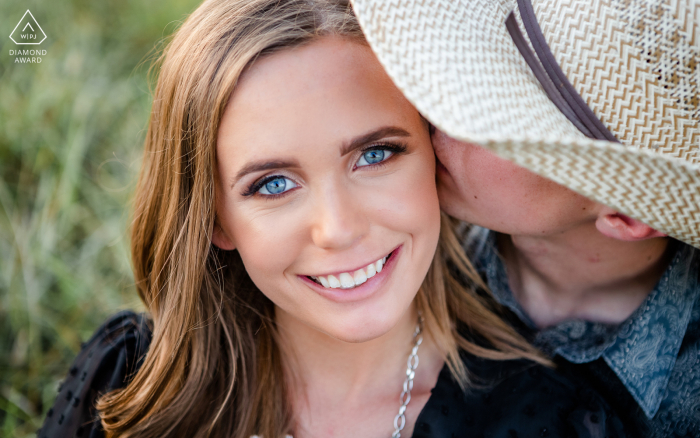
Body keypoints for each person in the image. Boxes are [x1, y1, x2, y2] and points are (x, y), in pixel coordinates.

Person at [38, 1, 628, 437]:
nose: (338, 228)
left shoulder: (549, 421)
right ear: (215, 219)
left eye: (375, 155)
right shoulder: (129, 384)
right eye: (272, 184)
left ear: (435, 159)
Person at [350, 0, 700, 436]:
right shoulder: (388, 248)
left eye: (500, 117)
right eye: (467, 70)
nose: (438, 107)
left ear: (628, 215)